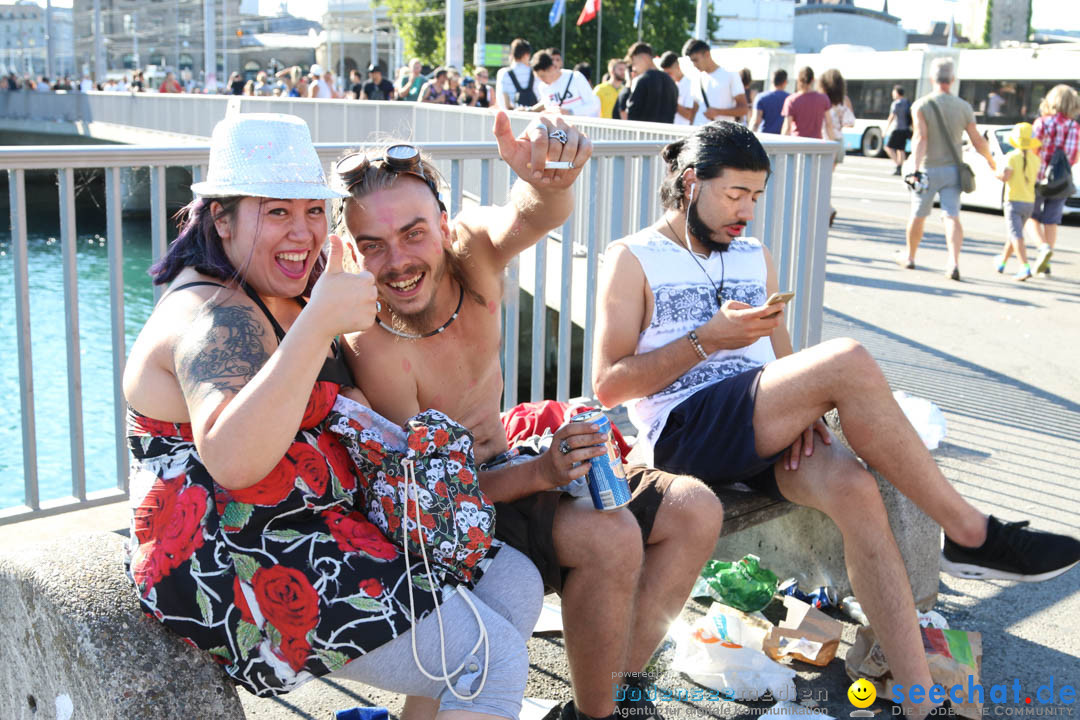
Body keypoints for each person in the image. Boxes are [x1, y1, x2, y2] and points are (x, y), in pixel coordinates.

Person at [591, 120, 1080, 719]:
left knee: (853, 487)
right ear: (691, 183)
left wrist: (805, 408)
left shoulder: (753, 254)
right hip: (685, 431)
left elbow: (783, 360)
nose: (747, 210)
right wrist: (706, 340)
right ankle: (969, 532)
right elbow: (609, 383)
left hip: (756, 424)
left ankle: (921, 701)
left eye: (756, 196)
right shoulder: (634, 256)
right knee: (847, 358)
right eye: (734, 194)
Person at [122, 112, 543, 714]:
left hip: (317, 526)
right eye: (276, 212)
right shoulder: (214, 315)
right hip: (241, 560)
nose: (302, 233)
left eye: (313, 211)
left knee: (515, 581)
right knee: (491, 658)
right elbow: (234, 459)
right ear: (221, 216)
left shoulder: (279, 286)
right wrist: (320, 323)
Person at [335, 115, 724, 720]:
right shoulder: (374, 345)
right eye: (373, 246)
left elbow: (531, 214)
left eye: (413, 233)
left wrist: (547, 182)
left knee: (695, 509)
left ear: (443, 223)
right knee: (612, 535)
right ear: (352, 252)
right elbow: (434, 498)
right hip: (459, 512)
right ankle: (600, 714)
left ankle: (613, 689)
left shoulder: (473, 258)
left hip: (514, 459)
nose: (397, 261)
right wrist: (544, 471)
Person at [900, 58, 995, 280]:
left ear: (932, 79)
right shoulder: (964, 107)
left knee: (918, 215)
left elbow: (920, 138)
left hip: (927, 169)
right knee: (951, 215)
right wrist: (991, 160)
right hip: (953, 171)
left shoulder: (921, 105)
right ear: (952, 80)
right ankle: (952, 262)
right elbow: (977, 140)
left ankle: (911, 257)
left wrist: (914, 168)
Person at [1027, 83, 1080, 276]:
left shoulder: (1042, 123)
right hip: (1061, 181)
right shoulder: (1075, 127)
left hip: (1038, 178)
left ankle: (1042, 249)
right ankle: (1046, 263)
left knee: (1030, 217)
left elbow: (1033, 150)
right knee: (1051, 220)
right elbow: (1073, 157)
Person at [993, 122, 1042, 282]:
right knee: (1014, 234)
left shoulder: (1012, 157)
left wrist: (996, 174)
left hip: (1013, 201)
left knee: (1016, 234)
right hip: (1029, 201)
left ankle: (1024, 266)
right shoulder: (1036, 159)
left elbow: (1005, 177)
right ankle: (1003, 261)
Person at [682, 38, 747, 126]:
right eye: (692, 61)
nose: (694, 65)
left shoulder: (730, 74)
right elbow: (694, 109)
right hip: (699, 132)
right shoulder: (696, 78)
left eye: (696, 60)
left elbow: (743, 109)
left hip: (720, 134)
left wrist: (718, 112)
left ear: (707, 54)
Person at [821, 68, 855, 226]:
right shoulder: (844, 100)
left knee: (820, 180)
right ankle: (826, 208)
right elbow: (851, 122)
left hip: (825, 140)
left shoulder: (823, 99)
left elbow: (824, 123)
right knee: (827, 179)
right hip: (839, 141)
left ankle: (825, 209)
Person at [531, 51, 601, 117]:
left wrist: (570, 112)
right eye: (539, 77)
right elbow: (548, 108)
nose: (541, 80)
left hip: (579, 127)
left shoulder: (576, 77)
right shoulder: (543, 87)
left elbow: (594, 105)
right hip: (557, 128)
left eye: (542, 76)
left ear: (551, 68)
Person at [624, 42, 678, 124]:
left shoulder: (643, 80)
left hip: (644, 133)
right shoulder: (671, 81)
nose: (633, 68)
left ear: (644, 58)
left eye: (634, 63)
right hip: (666, 134)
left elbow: (632, 112)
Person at [781, 66, 832, 139]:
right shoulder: (823, 99)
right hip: (816, 143)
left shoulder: (791, 100)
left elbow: (787, 127)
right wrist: (833, 144)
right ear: (813, 80)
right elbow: (829, 124)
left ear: (798, 80)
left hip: (796, 143)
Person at [496, 38, 536, 110]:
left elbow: (501, 100)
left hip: (511, 115)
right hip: (533, 115)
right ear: (526, 55)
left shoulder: (503, 73)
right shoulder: (534, 72)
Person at [659, 51, 696, 126]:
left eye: (669, 73)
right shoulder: (670, 84)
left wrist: (671, 101)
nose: (667, 77)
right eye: (665, 74)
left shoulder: (690, 85)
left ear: (678, 68)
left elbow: (689, 115)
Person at [750, 68, 789, 135]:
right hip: (783, 139)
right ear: (785, 82)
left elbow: (755, 122)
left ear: (772, 81)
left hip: (764, 137)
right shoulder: (790, 99)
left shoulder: (761, 97)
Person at [885, 85, 912, 176]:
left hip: (897, 129)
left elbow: (891, 117)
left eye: (894, 92)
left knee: (888, 147)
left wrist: (885, 130)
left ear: (897, 93)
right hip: (906, 129)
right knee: (901, 149)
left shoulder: (896, 104)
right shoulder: (907, 102)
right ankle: (901, 167)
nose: (893, 94)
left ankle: (898, 165)